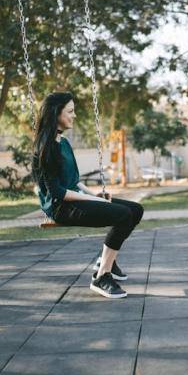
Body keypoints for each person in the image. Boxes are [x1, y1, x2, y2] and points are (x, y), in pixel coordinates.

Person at [32, 92, 144, 299]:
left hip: (73, 197)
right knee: (123, 215)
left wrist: (95, 193)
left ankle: (105, 260)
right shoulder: (46, 148)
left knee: (135, 210)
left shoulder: (63, 142)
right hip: (59, 206)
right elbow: (58, 192)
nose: (74, 116)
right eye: (70, 111)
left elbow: (74, 181)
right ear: (56, 113)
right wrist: (94, 200)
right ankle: (102, 277)